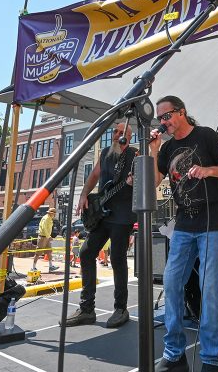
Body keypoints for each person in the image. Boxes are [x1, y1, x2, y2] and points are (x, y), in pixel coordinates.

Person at [151, 96, 218, 372]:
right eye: (160, 119)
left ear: (182, 112)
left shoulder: (206, 135)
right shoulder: (166, 148)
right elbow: (153, 182)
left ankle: (211, 359)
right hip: (185, 224)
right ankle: (175, 353)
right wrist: (153, 151)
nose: (163, 122)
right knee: (172, 283)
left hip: (214, 221)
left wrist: (209, 170)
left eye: (167, 116)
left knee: (209, 289)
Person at [65, 122, 137, 329]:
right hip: (102, 213)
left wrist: (136, 180)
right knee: (86, 253)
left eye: (119, 132)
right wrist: (84, 194)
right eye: (114, 131)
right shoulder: (106, 153)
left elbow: (148, 181)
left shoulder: (136, 155)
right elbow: (94, 175)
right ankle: (87, 309)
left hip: (122, 215)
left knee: (117, 258)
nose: (115, 135)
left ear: (128, 137)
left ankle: (120, 308)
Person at [31, 208, 59, 273]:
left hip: (46, 237)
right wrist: (48, 236)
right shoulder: (46, 218)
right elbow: (44, 228)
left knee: (49, 251)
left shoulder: (49, 218)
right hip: (43, 237)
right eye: (54, 214)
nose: (54, 215)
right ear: (51, 213)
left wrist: (48, 237)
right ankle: (33, 267)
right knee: (38, 253)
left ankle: (51, 266)